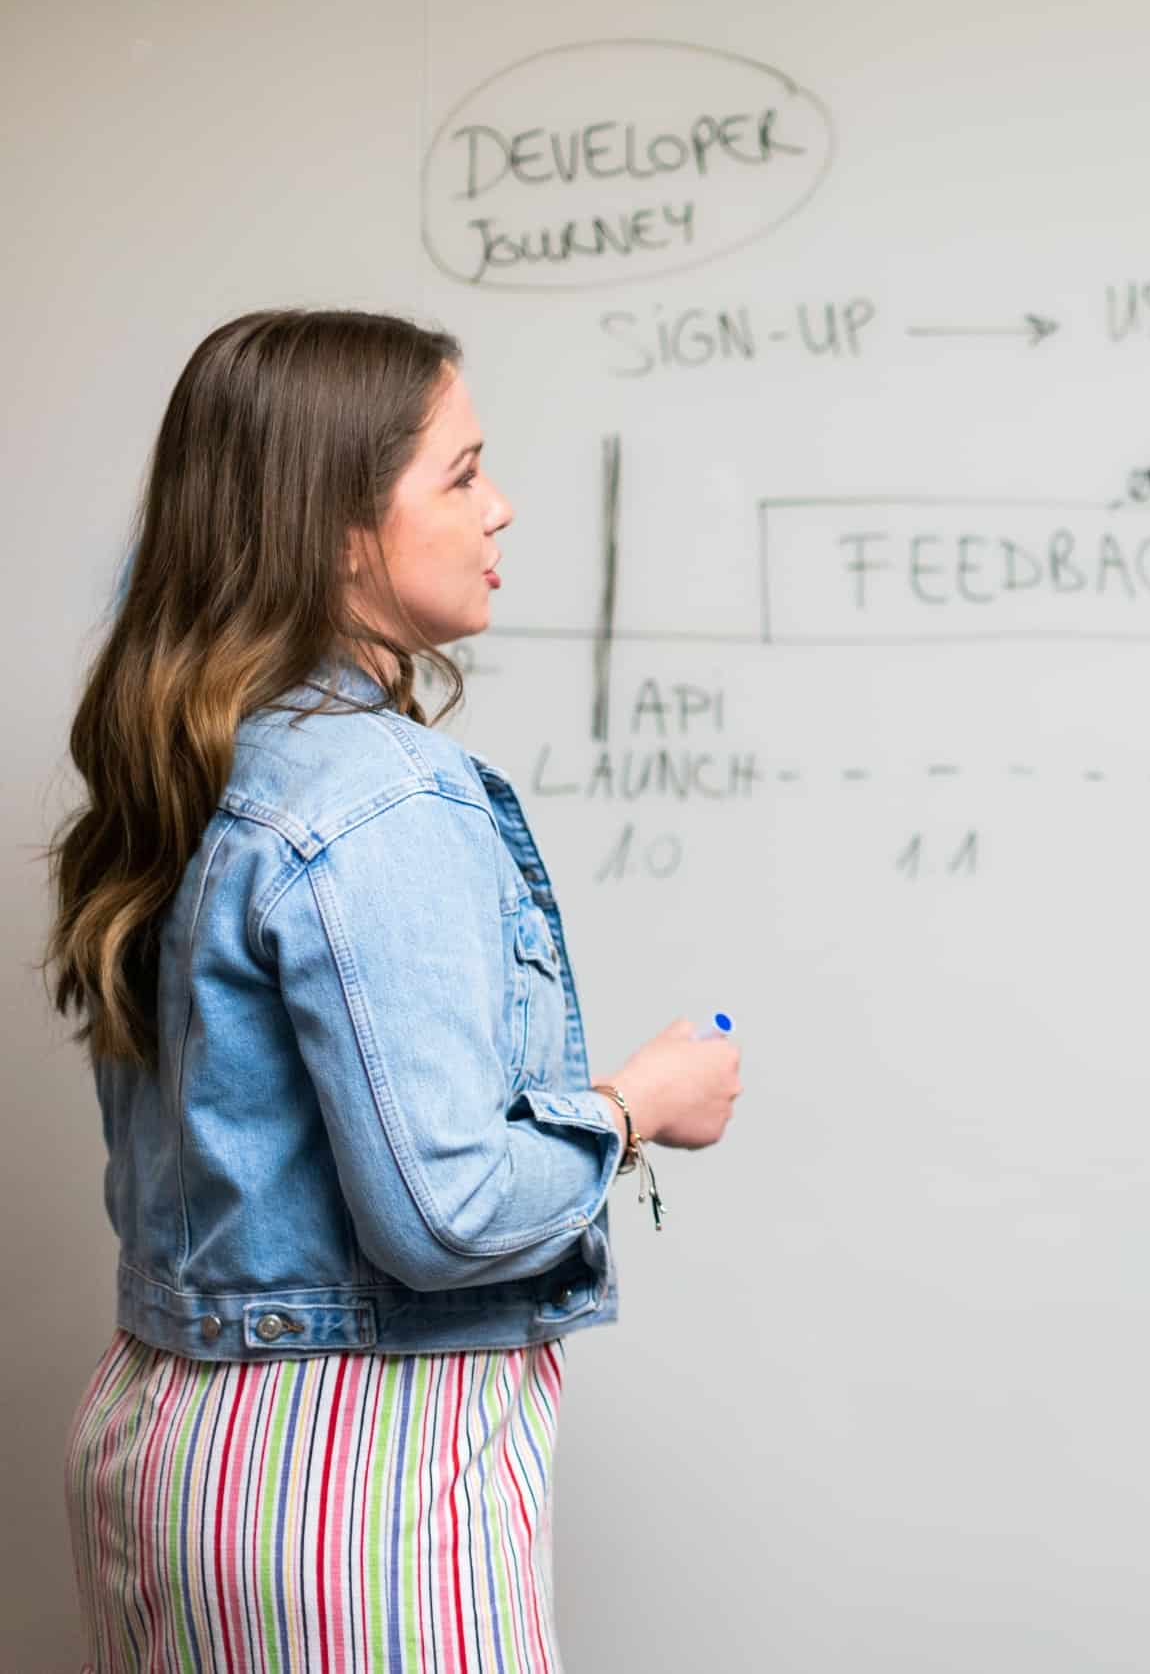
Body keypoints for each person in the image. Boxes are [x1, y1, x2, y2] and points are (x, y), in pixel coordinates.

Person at [45, 309, 743, 1671]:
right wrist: (638, 1104)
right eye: (462, 473)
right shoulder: (382, 794)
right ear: (342, 529)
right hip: (352, 1477)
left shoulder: (200, 759)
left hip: (161, 1443)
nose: (503, 507)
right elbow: (447, 1210)